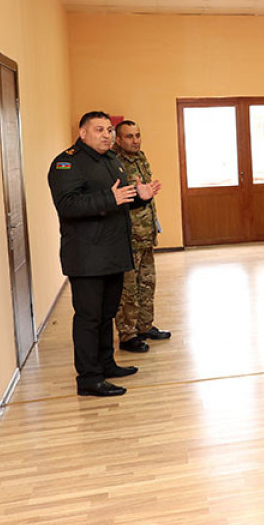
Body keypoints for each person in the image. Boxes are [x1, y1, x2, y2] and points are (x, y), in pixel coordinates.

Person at [48, 111, 161, 397]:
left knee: (107, 313)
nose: (107, 135)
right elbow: (68, 205)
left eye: (109, 130)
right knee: (89, 318)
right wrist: (110, 198)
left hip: (113, 253)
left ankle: (106, 364)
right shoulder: (67, 163)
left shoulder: (111, 160)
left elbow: (118, 202)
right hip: (87, 257)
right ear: (83, 132)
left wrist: (139, 198)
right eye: (99, 130)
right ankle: (88, 377)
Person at [112, 120, 170, 354]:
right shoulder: (114, 163)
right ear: (118, 139)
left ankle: (145, 326)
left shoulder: (140, 157)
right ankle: (128, 334)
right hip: (128, 236)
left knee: (147, 283)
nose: (135, 140)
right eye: (129, 136)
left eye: (137, 135)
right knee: (128, 289)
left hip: (146, 234)